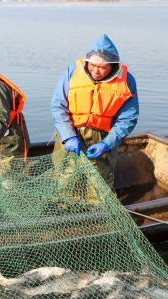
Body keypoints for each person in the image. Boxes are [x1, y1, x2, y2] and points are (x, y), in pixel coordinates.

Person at [51, 34, 139, 188]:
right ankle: (66, 207)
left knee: (100, 180)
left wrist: (107, 144)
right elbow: (58, 106)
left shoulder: (126, 80)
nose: (96, 71)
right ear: (87, 61)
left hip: (102, 136)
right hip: (71, 132)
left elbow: (128, 118)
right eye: (93, 65)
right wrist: (67, 136)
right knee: (66, 176)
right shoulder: (72, 72)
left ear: (112, 66)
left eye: (102, 67)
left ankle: (98, 210)